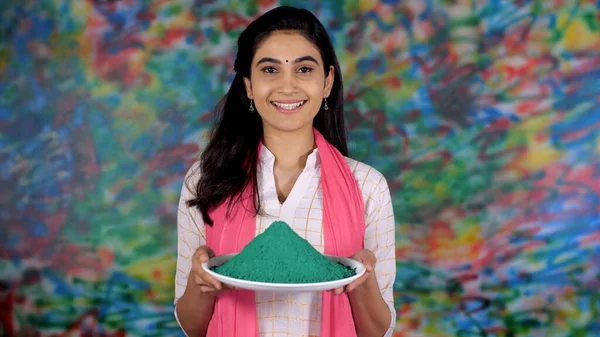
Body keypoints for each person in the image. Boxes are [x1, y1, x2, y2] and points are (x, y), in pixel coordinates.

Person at [174, 5, 396, 337]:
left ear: (327, 82)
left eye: (304, 69)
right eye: (270, 70)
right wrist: (199, 281)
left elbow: (379, 331)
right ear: (248, 85)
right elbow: (192, 327)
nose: (288, 86)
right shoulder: (206, 180)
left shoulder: (367, 186)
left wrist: (362, 282)